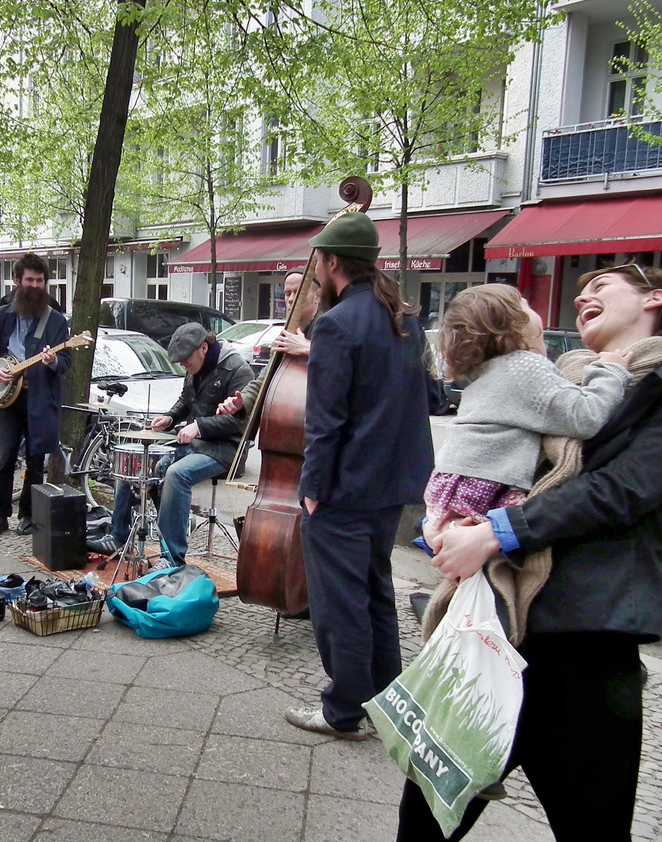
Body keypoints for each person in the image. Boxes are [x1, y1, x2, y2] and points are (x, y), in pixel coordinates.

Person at [356, 264, 662, 842]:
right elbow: (479, 461)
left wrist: (497, 531)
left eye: (605, 285)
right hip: (494, 621)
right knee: (434, 795)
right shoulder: (546, 376)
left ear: (655, 300)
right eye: (579, 287)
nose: (584, 295)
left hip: (591, 635)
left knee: (596, 836)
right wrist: (450, 521)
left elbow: (626, 489)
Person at [284, 213, 434, 742]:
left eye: (318, 262)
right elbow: (424, 400)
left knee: (340, 604)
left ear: (329, 263)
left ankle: (344, 710)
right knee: (375, 593)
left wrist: (313, 491)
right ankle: (386, 699)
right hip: (391, 487)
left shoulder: (336, 323)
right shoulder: (404, 317)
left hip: (343, 489)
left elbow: (325, 423)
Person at [422, 283, 630, 546]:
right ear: (509, 323)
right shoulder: (524, 366)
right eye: (523, 303)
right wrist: (610, 372)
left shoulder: (487, 371)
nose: (533, 307)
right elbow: (585, 417)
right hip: (488, 486)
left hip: (453, 484)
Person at [106, 322, 252, 565]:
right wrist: (171, 417)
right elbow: (186, 400)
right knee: (139, 462)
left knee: (176, 474)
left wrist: (200, 426)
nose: (183, 364)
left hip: (226, 450)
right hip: (196, 443)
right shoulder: (195, 366)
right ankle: (118, 536)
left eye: (185, 359)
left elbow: (242, 423)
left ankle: (172, 557)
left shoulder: (237, 369)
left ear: (203, 348)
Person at [0, 252, 72, 537]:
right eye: (30, 279)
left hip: (39, 399)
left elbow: (66, 362)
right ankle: (0, 515)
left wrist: (53, 361)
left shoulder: (55, 321)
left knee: (35, 461)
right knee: (3, 459)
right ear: (17, 280)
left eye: (40, 280)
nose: (35, 285)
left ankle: (27, 516)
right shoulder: (3, 315)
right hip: (7, 399)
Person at [217, 268, 318, 419]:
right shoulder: (285, 335)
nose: (291, 299)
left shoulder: (328, 327)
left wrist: (308, 348)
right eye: (287, 293)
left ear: (317, 297)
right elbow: (264, 380)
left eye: (298, 292)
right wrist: (242, 401)